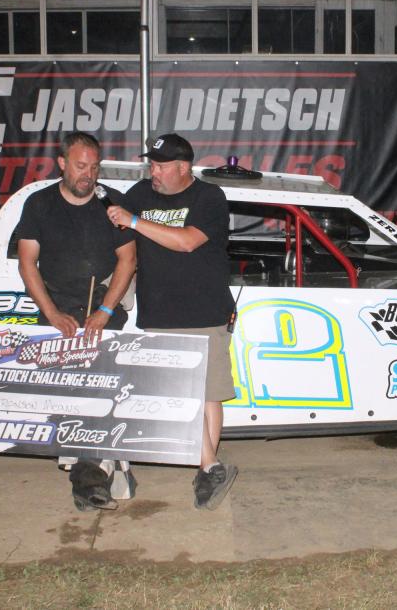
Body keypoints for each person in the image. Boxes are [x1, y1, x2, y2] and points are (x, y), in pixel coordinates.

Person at [107, 133, 238, 510]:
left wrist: (134, 221)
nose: (154, 171)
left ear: (183, 167)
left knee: (209, 395)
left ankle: (207, 467)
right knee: (182, 395)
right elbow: (114, 228)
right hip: (161, 313)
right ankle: (210, 465)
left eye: (161, 165)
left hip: (207, 310)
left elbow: (187, 242)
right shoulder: (140, 193)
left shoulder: (209, 197)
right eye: (151, 164)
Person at [15, 131, 137, 511]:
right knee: (70, 397)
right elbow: (26, 263)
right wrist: (51, 312)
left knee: (102, 393)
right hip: (58, 314)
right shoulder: (39, 204)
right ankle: (96, 473)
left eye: (95, 166)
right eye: (81, 166)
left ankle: (93, 474)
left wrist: (104, 311)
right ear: (63, 164)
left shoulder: (111, 203)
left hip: (104, 312)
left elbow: (127, 260)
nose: (89, 174)